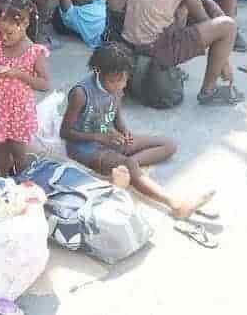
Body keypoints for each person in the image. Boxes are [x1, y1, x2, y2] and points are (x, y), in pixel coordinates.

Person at [61, 43, 214, 219]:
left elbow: (115, 113)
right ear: (97, 72)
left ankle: (127, 169)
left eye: (124, 80)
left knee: (169, 145)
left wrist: (124, 131)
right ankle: (176, 205)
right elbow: (65, 132)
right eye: (114, 81)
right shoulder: (81, 94)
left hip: (110, 139)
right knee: (129, 165)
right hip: (85, 149)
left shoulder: (118, 85)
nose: (119, 86)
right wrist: (99, 137)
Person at [0, 0, 50, 176]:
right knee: (1, 148)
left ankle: (23, 181)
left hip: (19, 111)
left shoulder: (34, 51)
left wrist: (19, 74)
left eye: (9, 33)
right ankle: (1, 178)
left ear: (24, 24)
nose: (3, 37)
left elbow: (44, 83)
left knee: (18, 151)